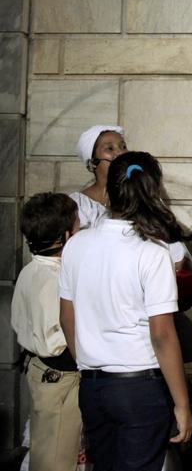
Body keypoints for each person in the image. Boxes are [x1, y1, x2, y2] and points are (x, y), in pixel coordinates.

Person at [59, 151, 192, 471]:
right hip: (139, 386)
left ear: (108, 191)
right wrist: (182, 404)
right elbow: (162, 334)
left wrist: (90, 362)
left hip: (92, 386)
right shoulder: (153, 251)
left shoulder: (76, 244)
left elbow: (67, 318)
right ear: (154, 191)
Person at [11, 193, 82, 471]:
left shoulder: (31, 270)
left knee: (51, 452)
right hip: (60, 375)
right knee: (57, 458)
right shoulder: (55, 280)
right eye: (77, 227)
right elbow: (60, 338)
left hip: (42, 370)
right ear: (64, 237)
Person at [70, 125, 192, 269]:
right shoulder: (78, 204)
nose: (120, 153)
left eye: (123, 146)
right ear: (92, 161)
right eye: (110, 148)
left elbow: (178, 256)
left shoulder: (143, 197)